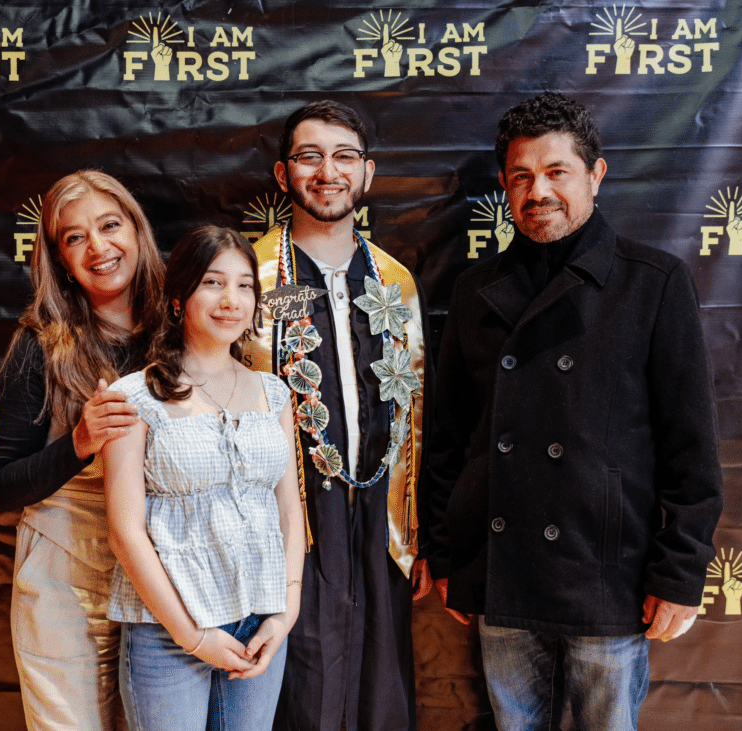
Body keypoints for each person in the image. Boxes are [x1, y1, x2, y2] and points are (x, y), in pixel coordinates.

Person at [427, 91, 724, 731]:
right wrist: (449, 557)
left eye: (557, 171)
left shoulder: (654, 282)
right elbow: (448, 441)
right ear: (505, 188)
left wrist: (680, 573)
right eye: (521, 177)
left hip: (607, 576)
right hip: (504, 576)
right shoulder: (476, 290)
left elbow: (692, 450)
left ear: (595, 175)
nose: (539, 191)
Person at [243, 100, 431, 731]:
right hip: (287, 520)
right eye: (309, 156)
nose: (328, 171)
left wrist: (415, 531)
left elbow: (420, 414)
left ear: (367, 174)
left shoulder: (396, 283)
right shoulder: (247, 278)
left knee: (380, 687)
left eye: (344, 156)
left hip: (379, 515)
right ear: (281, 175)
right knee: (302, 688)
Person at [103, 225, 304, 731]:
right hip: (166, 631)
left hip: (259, 620)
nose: (230, 300)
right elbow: (124, 532)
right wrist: (192, 635)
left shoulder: (274, 393)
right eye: (213, 283)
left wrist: (286, 613)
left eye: (244, 286)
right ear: (178, 298)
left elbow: (289, 510)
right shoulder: (135, 396)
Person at [0, 170, 164, 731]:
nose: (98, 247)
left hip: (164, 576)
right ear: (60, 259)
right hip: (66, 579)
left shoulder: (183, 328)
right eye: (74, 237)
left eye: (110, 225)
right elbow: (3, 485)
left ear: (136, 230)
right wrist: (79, 443)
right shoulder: (39, 342)